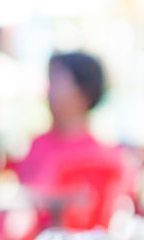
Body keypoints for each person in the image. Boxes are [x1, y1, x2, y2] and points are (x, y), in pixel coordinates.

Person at [14, 51, 112, 192]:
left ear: (84, 93)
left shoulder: (101, 160)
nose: (49, 91)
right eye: (50, 81)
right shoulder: (37, 145)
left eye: (57, 81)